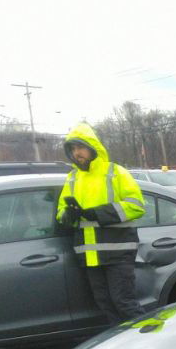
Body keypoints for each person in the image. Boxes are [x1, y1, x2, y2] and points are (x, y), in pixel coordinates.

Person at [56, 123, 146, 323]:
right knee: (104, 303)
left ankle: (150, 345)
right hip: (90, 256)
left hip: (118, 251)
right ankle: (124, 347)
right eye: (72, 149)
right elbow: (61, 210)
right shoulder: (72, 178)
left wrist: (97, 213)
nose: (76, 153)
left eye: (80, 147)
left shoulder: (115, 172)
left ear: (92, 147)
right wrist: (68, 215)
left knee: (124, 302)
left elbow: (137, 205)